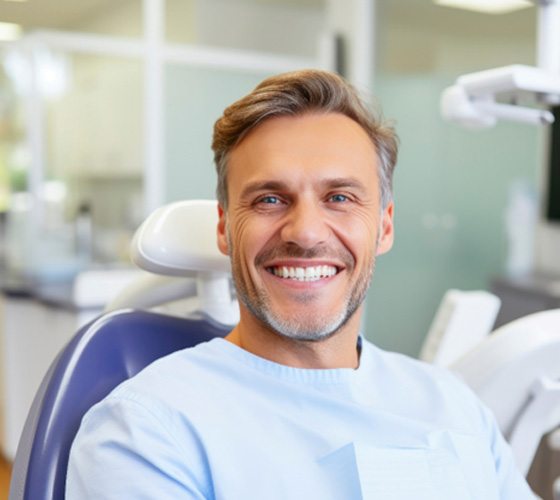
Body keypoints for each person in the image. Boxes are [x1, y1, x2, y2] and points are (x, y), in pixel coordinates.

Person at [66, 69, 535, 499]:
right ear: (225, 228)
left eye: (339, 197)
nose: (306, 232)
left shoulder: (455, 406)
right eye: (270, 199)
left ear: (384, 227)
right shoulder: (148, 430)